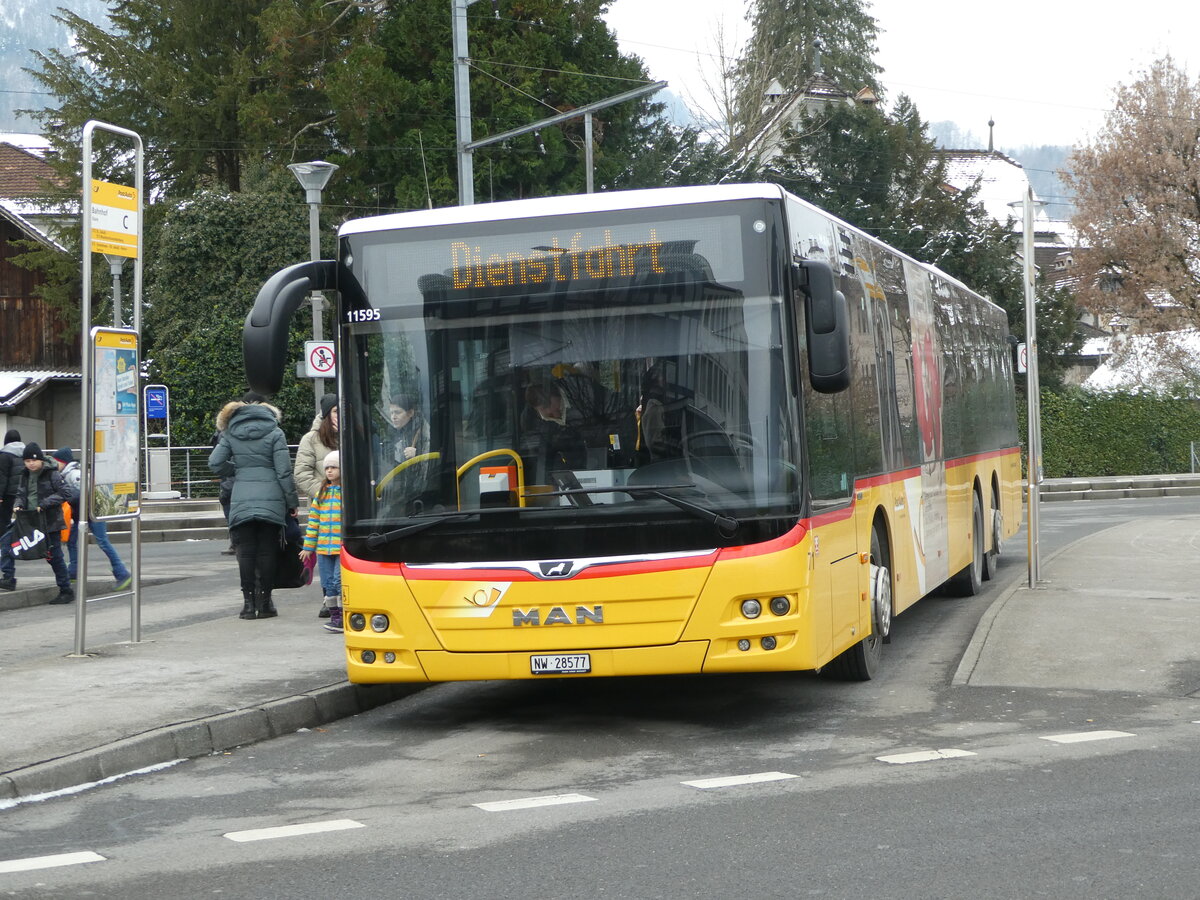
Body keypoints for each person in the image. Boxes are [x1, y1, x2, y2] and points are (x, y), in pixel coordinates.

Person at [208, 393, 299, 620]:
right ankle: (265, 602)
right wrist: (292, 503)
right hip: (271, 499)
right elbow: (284, 471)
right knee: (268, 551)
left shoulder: (229, 433)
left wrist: (238, 470)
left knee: (246, 552)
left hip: (241, 499)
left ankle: (248, 605)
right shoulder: (275, 433)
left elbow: (215, 463)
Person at [0, 442, 73, 603]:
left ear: (41, 460)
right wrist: (18, 505)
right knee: (6, 543)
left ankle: (66, 590)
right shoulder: (24, 474)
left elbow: (65, 493)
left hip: (49, 522)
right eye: (27, 461)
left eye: (34, 460)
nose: (31, 464)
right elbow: (20, 493)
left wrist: (45, 504)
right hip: (27, 520)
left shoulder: (52, 474)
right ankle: (8, 578)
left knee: (54, 557)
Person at [50, 448, 132, 591]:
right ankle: (73, 571)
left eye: (56, 461)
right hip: (83, 514)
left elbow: (85, 493)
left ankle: (122, 573)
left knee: (102, 542)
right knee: (72, 542)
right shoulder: (66, 474)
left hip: (91, 514)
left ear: (63, 462)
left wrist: (66, 496)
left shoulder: (74, 474)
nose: (54, 464)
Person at [299, 450, 343, 633]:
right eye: (327, 468)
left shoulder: (347, 493)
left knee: (338, 581)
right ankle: (335, 617)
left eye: (334, 467)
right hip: (324, 549)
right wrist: (308, 547)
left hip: (341, 549)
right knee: (327, 582)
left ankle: (343, 615)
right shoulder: (321, 494)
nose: (330, 471)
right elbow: (314, 522)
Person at [294, 393, 338, 502]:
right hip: (324, 506)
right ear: (327, 415)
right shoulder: (311, 439)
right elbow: (302, 474)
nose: (340, 414)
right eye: (336, 411)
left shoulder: (354, 436)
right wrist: (327, 494)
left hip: (354, 505)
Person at [385, 392, 429, 465]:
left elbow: (435, 455)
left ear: (410, 413)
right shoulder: (395, 429)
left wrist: (417, 454)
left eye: (397, 412)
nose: (393, 417)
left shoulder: (423, 430)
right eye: (391, 413)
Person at [0, 428, 24, 536]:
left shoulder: (4, 455)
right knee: (23, 521)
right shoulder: (27, 453)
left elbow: (2, 477)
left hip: (8, 495)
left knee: (4, 521)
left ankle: (5, 546)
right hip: (23, 494)